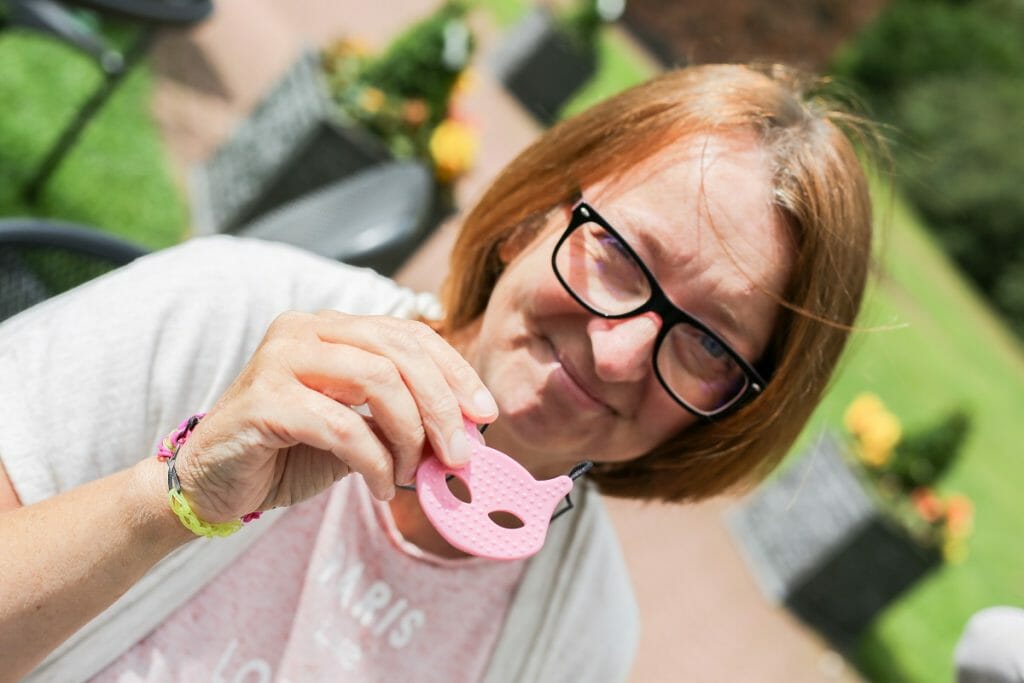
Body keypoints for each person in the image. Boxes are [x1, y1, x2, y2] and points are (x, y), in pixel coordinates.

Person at [0, 63, 874, 682]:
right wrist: (177, 494)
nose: (616, 353)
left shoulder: (578, 639)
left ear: (732, 410)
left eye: (709, 344)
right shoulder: (230, 312)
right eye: (620, 255)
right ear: (531, 219)